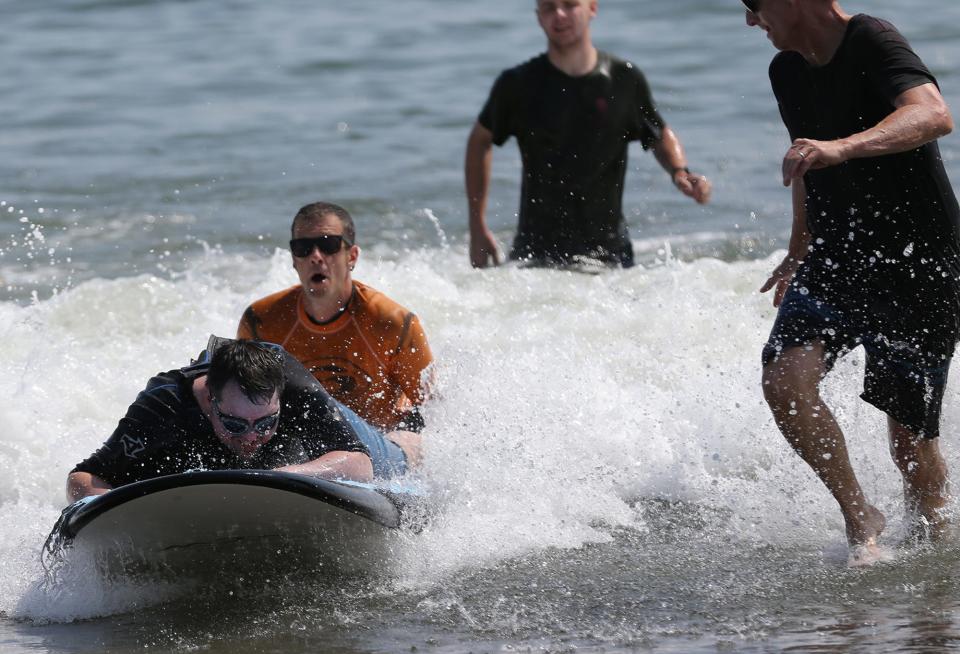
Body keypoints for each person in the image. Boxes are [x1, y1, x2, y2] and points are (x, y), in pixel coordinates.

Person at [745, 0, 960, 561]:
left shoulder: (874, 39)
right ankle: (859, 515)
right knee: (783, 383)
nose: (750, 20)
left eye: (753, 5)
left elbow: (933, 114)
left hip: (919, 260)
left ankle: (935, 556)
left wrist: (843, 147)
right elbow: (805, 159)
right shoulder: (786, 68)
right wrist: (798, 247)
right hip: (837, 255)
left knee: (911, 442)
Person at [465, 0, 712, 269]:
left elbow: (658, 133)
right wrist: (477, 226)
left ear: (592, 8)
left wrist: (680, 171)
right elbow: (479, 141)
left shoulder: (624, 80)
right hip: (534, 258)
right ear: (538, 17)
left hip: (611, 257)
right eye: (549, 7)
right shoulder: (517, 84)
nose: (559, 15)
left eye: (570, 5)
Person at [66, 338, 410, 503]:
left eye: (265, 424)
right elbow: (84, 476)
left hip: (331, 445)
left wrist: (274, 478)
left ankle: (413, 436)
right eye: (234, 425)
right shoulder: (165, 405)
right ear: (209, 401)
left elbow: (359, 464)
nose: (251, 437)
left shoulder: (297, 390)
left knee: (399, 455)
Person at [237, 202, 432, 462]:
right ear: (294, 260)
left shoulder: (393, 323)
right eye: (303, 248)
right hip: (305, 444)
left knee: (411, 440)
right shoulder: (261, 321)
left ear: (351, 256)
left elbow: (431, 410)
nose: (316, 256)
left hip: (380, 444)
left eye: (328, 245)